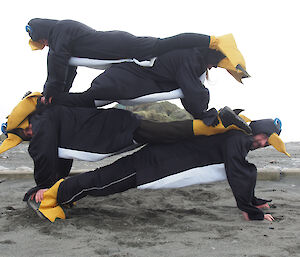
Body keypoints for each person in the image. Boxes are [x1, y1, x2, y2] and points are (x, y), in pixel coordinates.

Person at [26, 117, 289, 223]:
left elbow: (244, 170)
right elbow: (239, 172)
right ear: (257, 130)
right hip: (154, 166)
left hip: (157, 160)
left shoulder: (237, 138)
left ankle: (59, 192)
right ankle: (49, 195)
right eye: (263, 136)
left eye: (267, 141)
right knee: (100, 183)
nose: (262, 142)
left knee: (100, 181)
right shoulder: (238, 140)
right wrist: (250, 212)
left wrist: (253, 202)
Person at [0, 92, 252, 199]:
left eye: (25, 130)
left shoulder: (44, 123)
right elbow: (60, 157)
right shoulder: (53, 119)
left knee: (171, 131)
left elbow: (43, 155)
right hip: (118, 129)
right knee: (173, 134)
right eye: (25, 135)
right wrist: (56, 184)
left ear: (28, 121)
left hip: (120, 130)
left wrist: (45, 187)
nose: (30, 133)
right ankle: (220, 127)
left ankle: (220, 122)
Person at [26, 18, 249, 103]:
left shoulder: (61, 31)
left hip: (122, 46)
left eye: (40, 40)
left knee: (164, 44)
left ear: (44, 32)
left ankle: (213, 41)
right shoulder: (61, 37)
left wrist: (49, 93)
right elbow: (66, 70)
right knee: (164, 45)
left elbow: (57, 64)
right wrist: (58, 94)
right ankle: (210, 43)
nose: (43, 44)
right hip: (119, 45)